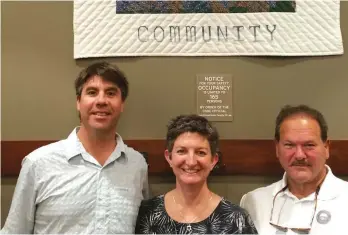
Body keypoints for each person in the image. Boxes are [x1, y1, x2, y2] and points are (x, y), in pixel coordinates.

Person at [1, 62, 150, 234]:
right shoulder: (38, 164)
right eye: (92, 92)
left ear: (122, 104)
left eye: (111, 93)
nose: (101, 101)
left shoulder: (137, 165)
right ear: (78, 102)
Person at [240, 104, 348, 235]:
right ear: (277, 148)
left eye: (309, 145)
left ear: (326, 147)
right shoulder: (253, 202)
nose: (299, 155)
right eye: (289, 145)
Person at [135, 114, 258, 234]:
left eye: (201, 152)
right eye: (181, 151)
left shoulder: (236, 220)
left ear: (213, 160)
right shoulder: (145, 214)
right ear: (169, 157)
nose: (191, 162)